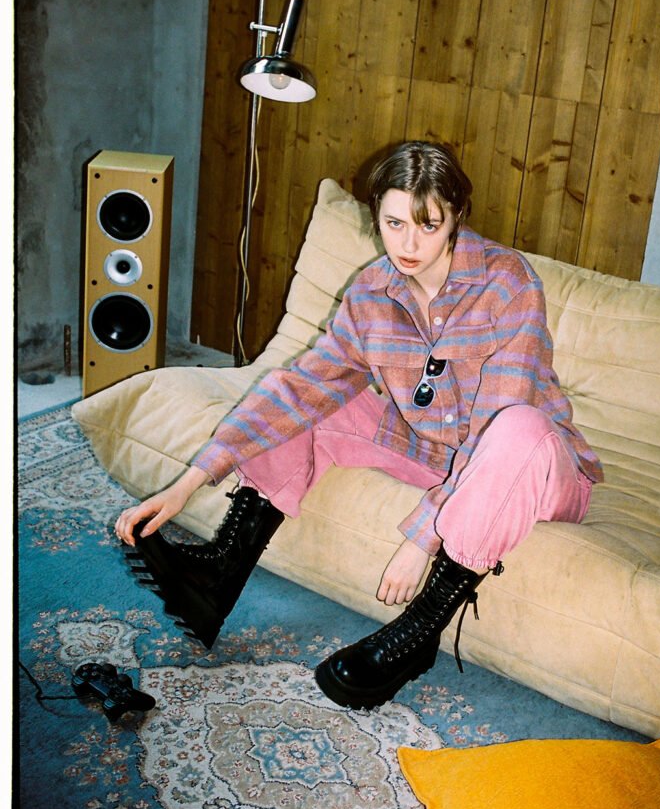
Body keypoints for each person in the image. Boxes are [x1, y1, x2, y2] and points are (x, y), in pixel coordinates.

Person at [115, 140, 603, 710]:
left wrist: (424, 539)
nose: (409, 243)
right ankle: (218, 573)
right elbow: (302, 387)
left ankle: (419, 632)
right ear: (376, 216)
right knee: (311, 400)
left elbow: (498, 419)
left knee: (517, 426)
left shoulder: (508, 284)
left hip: (534, 468)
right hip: (427, 448)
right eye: (394, 223)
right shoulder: (372, 291)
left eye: (428, 224)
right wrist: (186, 485)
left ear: (456, 218)